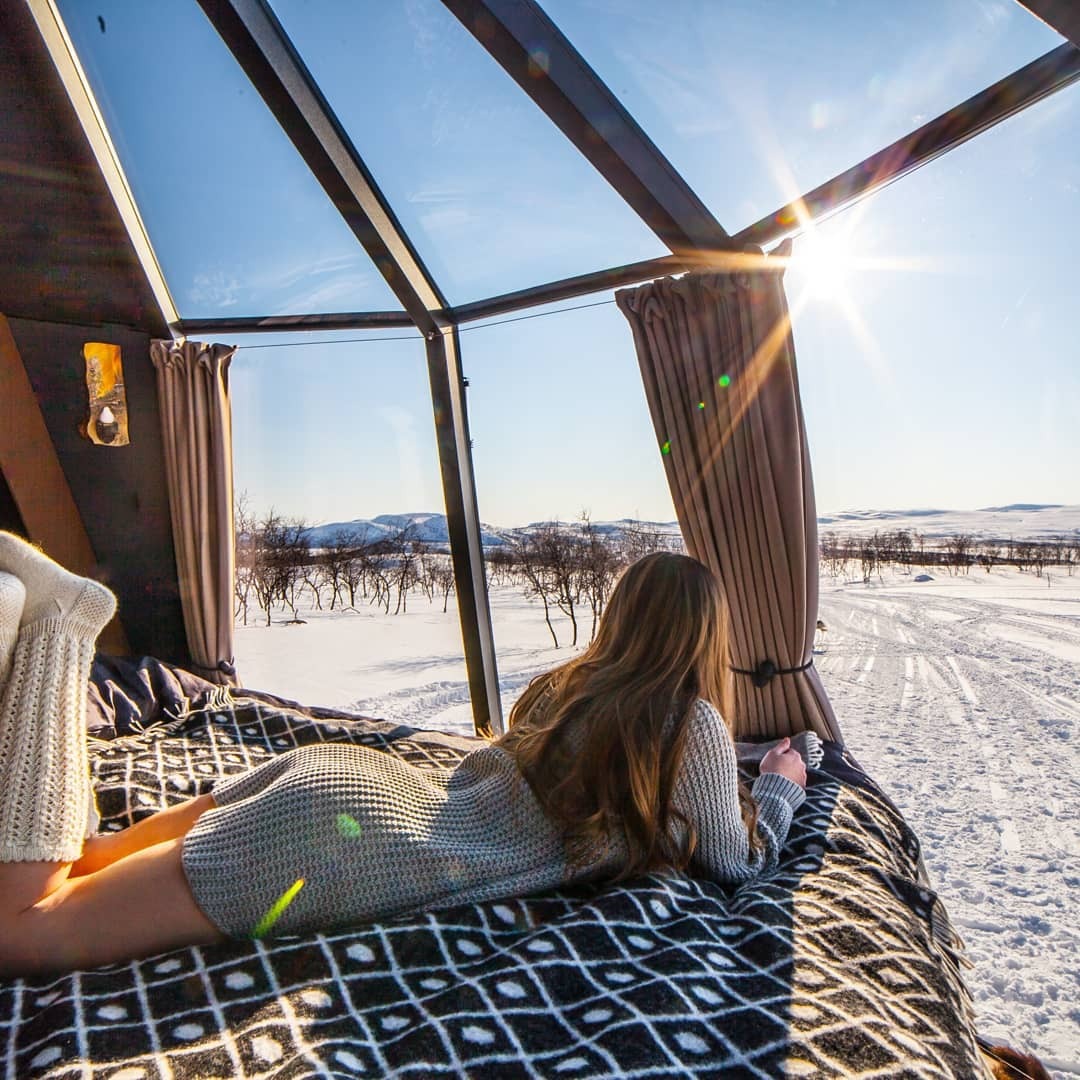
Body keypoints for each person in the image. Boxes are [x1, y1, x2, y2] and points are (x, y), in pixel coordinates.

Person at [0, 535, 811, 977]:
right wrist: (778, 788)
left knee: (87, 857)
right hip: (339, 845)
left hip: (356, 781)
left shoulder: (566, 686)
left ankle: (47, 645)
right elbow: (737, 864)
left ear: (621, 616)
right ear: (706, 636)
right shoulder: (693, 723)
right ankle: (62, 628)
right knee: (23, 932)